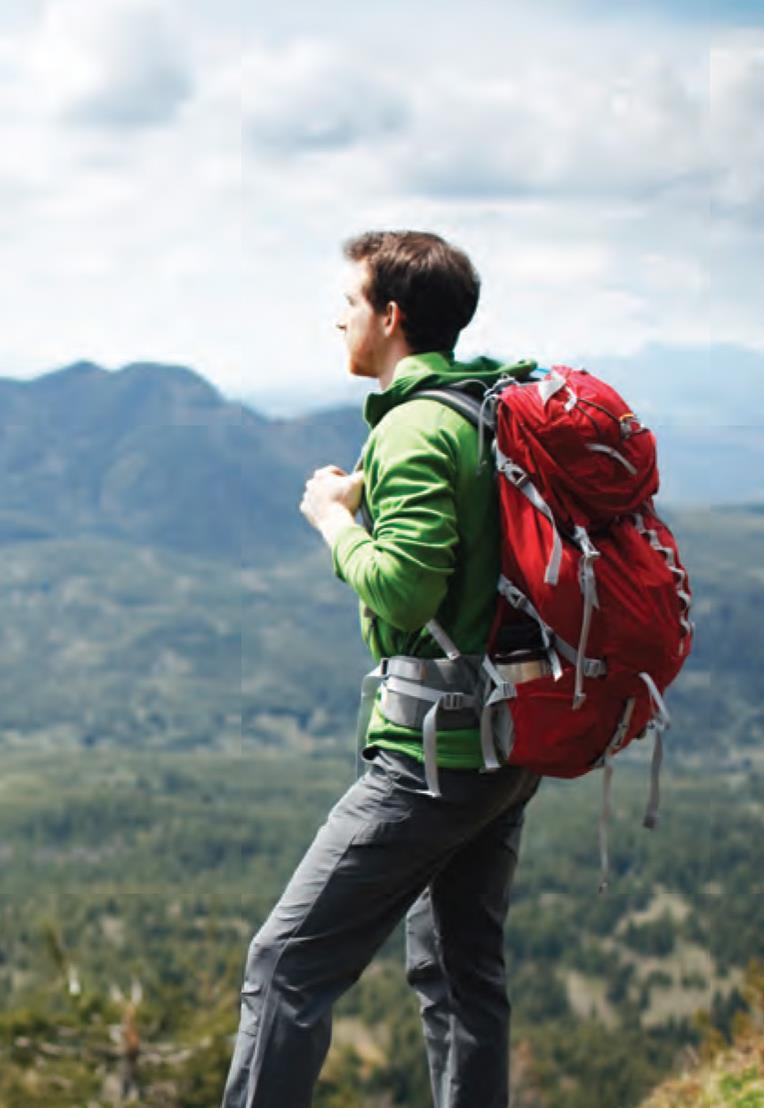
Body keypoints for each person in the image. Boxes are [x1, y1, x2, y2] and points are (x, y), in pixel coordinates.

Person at [222, 230, 540, 1108]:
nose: (339, 319)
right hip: (506, 744)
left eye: (351, 304)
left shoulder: (414, 427)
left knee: (284, 964)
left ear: (391, 317)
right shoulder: (483, 408)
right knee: (461, 972)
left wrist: (330, 517)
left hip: (430, 759)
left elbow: (402, 591)